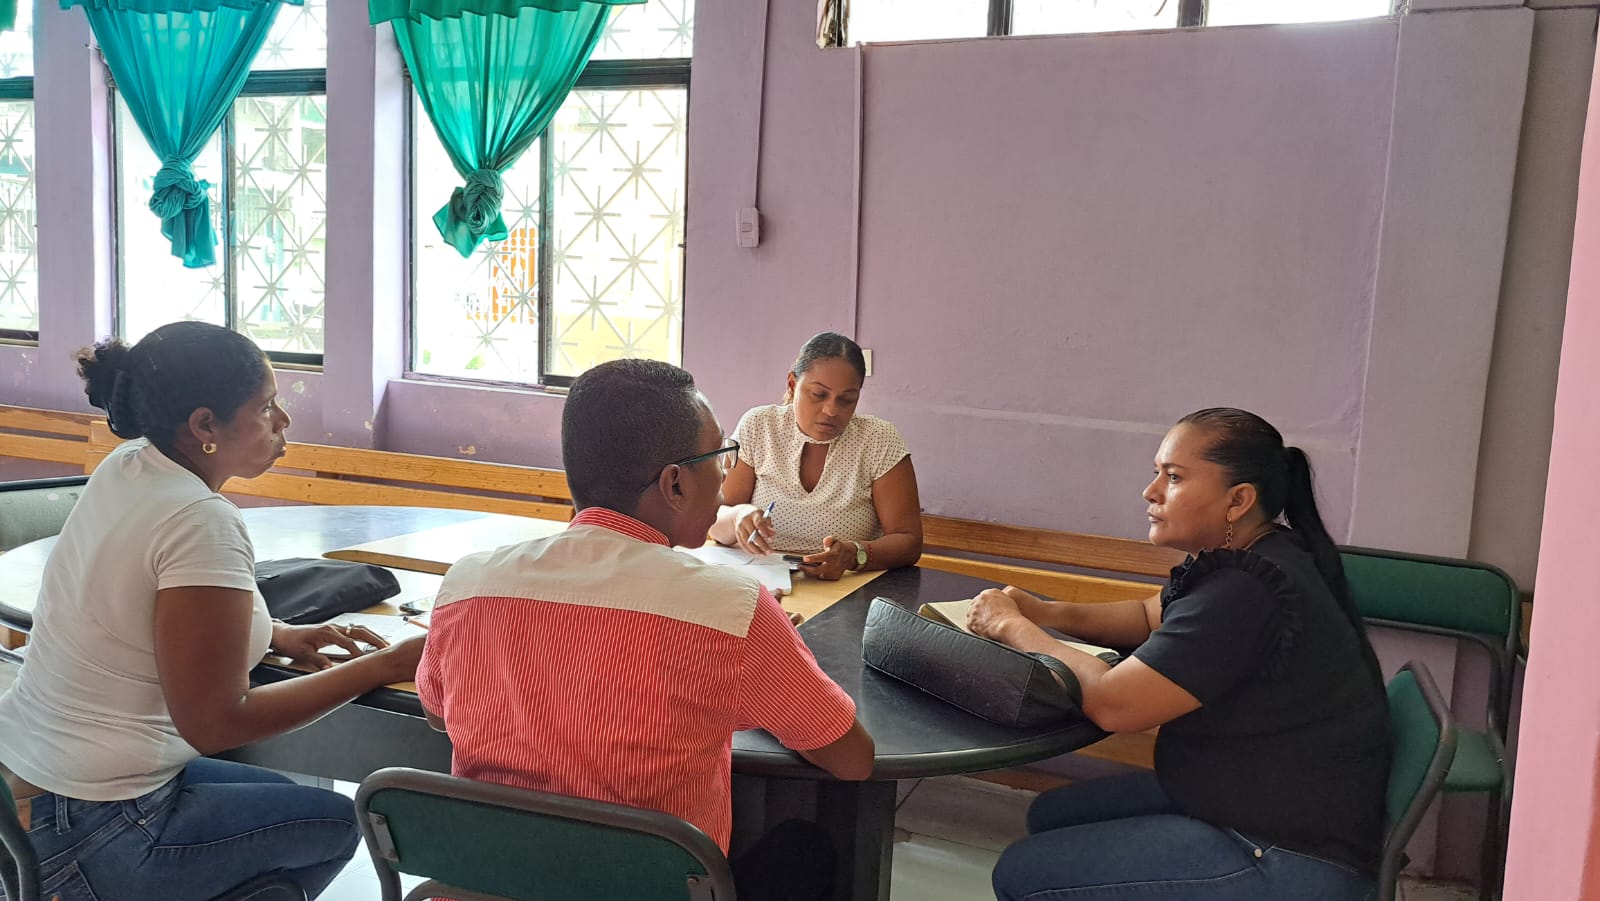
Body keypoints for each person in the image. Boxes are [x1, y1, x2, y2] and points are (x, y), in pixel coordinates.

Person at [415, 358, 875, 901]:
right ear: (674, 483)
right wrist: (768, 669)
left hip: (489, 887)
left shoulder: (468, 585)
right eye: (719, 456)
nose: (725, 475)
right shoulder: (732, 610)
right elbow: (852, 760)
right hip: (648, 887)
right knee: (804, 848)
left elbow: (437, 713)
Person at [0, 322, 425, 901]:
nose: (284, 420)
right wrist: (386, 665)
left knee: (288, 800)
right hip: (92, 825)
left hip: (29, 794)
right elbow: (217, 722)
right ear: (204, 425)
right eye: (266, 406)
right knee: (340, 825)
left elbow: (135, 609)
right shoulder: (200, 519)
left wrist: (275, 633)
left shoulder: (131, 465)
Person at [969, 408, 1390, 901]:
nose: (1150, 492)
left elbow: (1114, 705)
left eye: (1173, 477)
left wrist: (1012, 627)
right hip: (1247, 796)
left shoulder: (1246, 591)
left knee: (1021, 874)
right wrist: (1046, 612)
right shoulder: (1259, 554)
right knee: (1050, 815)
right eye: (1158, 473)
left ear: (1238, 500)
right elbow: (1149, 615)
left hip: (1284, 849)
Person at [710, 331, 922, 581]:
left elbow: (909, 542)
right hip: (760, 580)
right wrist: (736, 517)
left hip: (846, 588)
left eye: (847, 399)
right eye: (819, 395)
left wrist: (854, 554)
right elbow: (714, 521)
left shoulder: (878, 439)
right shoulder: (759, 426)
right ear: (792, 384)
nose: (831, 410)